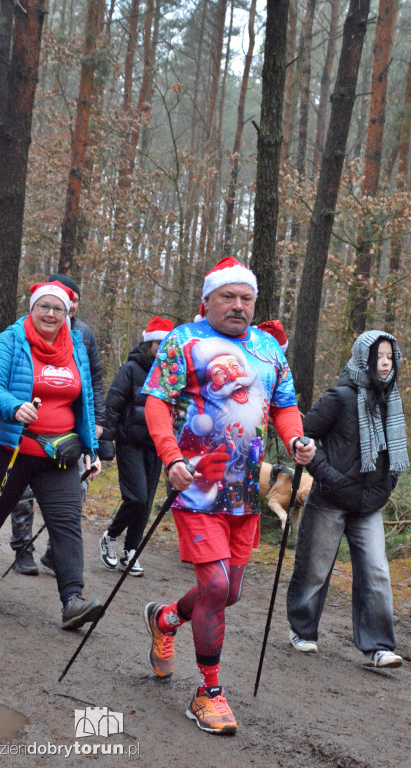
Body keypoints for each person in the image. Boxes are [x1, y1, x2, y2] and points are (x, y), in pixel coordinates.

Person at [140, 256, 315, 735]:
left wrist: (297, 439)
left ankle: (168, 619)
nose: (238, 306)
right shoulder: (185, 341)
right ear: (208, 300)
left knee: (230, 591)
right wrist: (171, 457)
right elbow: (156, 401)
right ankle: (208, 692)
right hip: (196, 483)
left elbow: (284, 405)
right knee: (215, 587)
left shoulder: (266, 347)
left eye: (246, 298)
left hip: (246, 490)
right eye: (228, 297)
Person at [0, 280, 103, 630]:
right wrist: (13, 406)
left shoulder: (76, 345)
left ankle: (73, 601)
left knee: (66, 523)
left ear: (68, 314)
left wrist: (92, 450)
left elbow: (87, 400)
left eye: (58, 309)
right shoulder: (11, 339)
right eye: (44, 307)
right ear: (32, 308)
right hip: (12, 449)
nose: (50, 314)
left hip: (60, 454)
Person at [286, 330, 409, 668]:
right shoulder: (339, 397)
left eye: (389, 357)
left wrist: (386, 487)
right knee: (314, 569)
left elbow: (396, 455)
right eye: (378, 357)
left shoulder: (391, 401)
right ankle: (303, 631)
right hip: (330, 499)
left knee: (376, 573)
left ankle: (379, 647)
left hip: (370, 504)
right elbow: (302, 438)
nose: (384, 364)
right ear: (362, 359)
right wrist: (329, 476)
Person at [9, 272, 108, 575]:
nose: (68, 306)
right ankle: (22, 547)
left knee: (72, 498)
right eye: (64, 299)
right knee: (22, 495)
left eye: (73, 301)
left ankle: (56, 553)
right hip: (27, 434)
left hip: (69, 436)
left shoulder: (84, 336)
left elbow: (94, 382)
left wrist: (97, 424)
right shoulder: (24, 331)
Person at [99, 316, 173, 576]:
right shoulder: (130, 369)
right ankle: (110, 535)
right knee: (137, 496)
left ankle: (131, 551)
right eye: (158, 344)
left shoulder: (171, 374)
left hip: (157, 445)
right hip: (129, 441)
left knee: (147, 500)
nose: (163, 350)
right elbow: (113, 405)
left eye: (167, 345)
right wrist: (105, 441)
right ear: (149, 344)